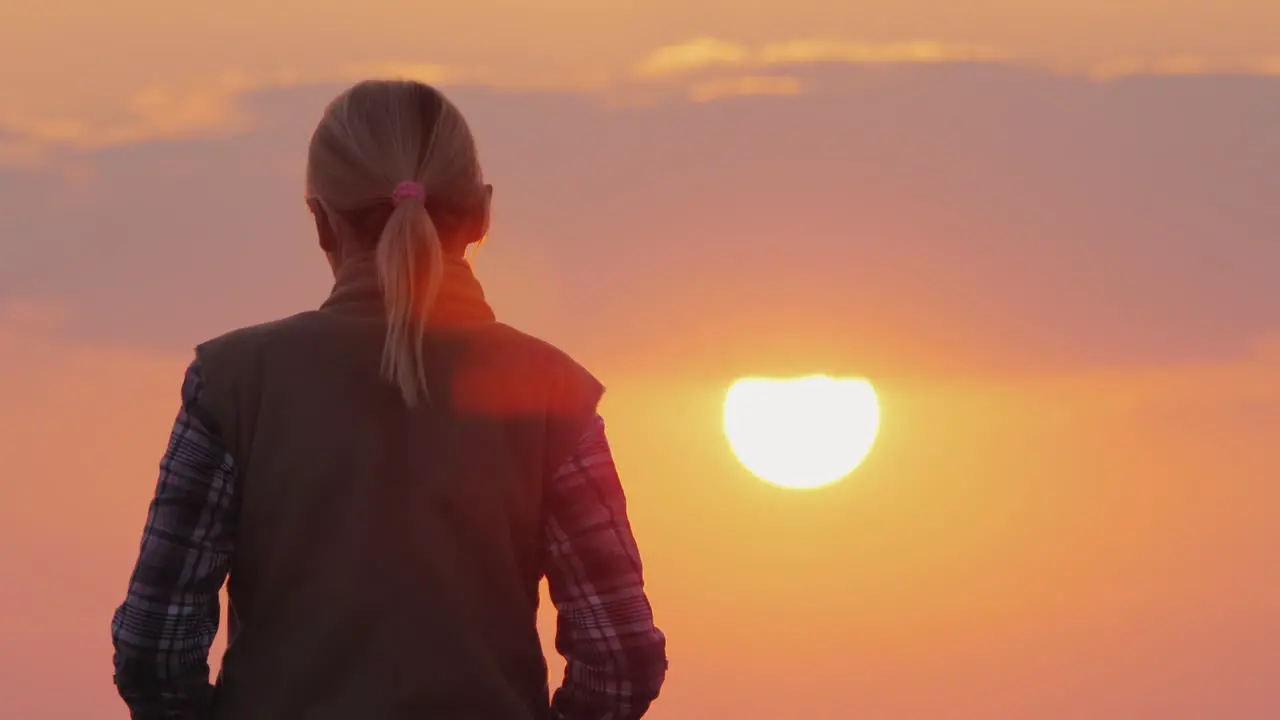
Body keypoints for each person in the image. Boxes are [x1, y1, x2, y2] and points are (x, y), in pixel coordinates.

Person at [110, 79, 667, 720]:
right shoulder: (551, 392)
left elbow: (155, 647)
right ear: (483, 213)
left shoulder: (232, 382)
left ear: (321, 220)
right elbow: (621, 656)